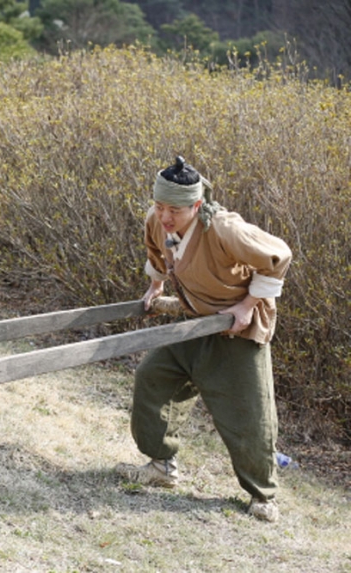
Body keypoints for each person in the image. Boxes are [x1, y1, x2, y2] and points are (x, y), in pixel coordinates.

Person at [115, 156, 292, 523]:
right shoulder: (157, 219)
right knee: (153, 378)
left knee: (249, 413)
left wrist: (246, 306)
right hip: (191, 320)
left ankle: (263, 495)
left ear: (196, 206)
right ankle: (161, 466)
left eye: (175, 210)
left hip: (235, 329)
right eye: (160, 206)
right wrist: (155, 287)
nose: (166, 217)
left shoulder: (224, 228)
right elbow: (157, 253)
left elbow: (278, 257)